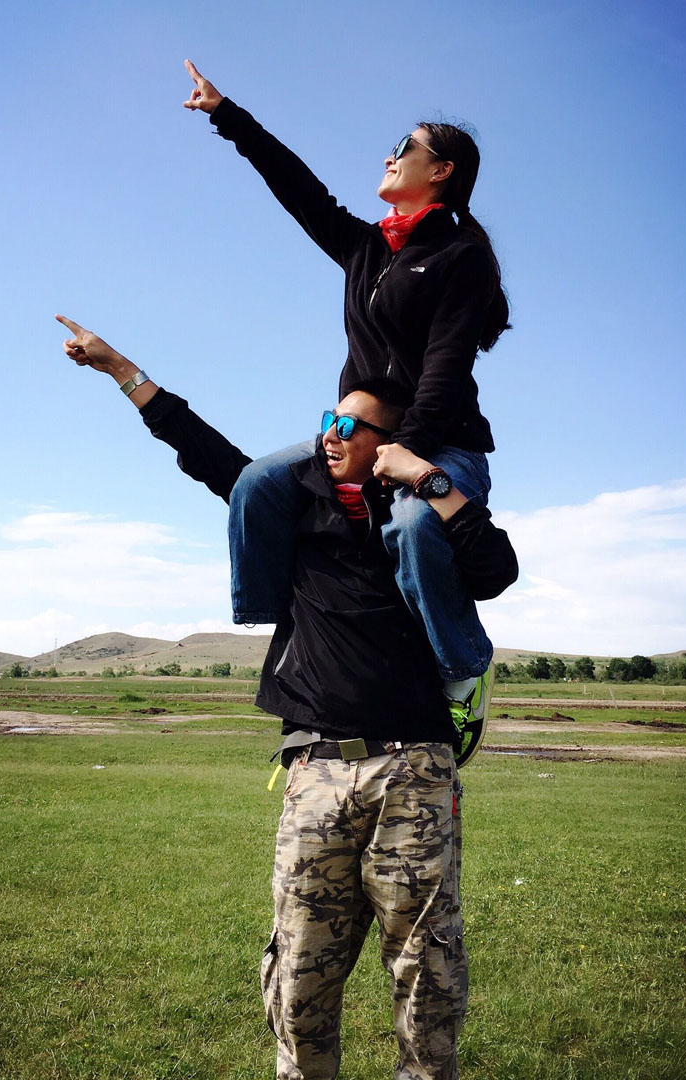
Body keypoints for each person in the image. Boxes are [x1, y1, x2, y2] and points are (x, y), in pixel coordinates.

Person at [56, 313, 517, 1080]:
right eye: (327, 419)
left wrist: (429, 482)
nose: (331, 432)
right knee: (300, 974)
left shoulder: (419, 534)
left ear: (388, 444)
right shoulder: (298, 518)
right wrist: (118, 369)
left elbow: (497, 567)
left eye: (351, 424)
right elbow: (206, 454)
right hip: (315, 771)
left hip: (415, 770)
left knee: (426, 975)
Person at [181, 61, 511, 734]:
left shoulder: (460, 257)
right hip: (357, 430)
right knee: (256, 487)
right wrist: (227, 115)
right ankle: (297, 623)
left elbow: (445, 373)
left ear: (440, 170)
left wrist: (405, 457)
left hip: (441, 440)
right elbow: (298, 189)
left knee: (418, 526)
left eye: (404, 148)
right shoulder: (365, 248)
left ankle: (464, 671)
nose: (389, 157)